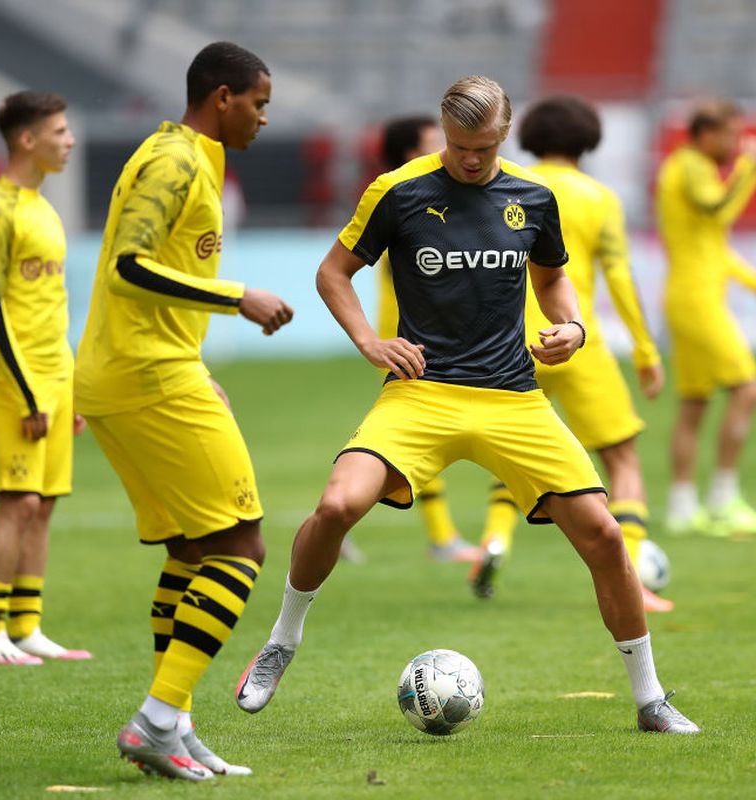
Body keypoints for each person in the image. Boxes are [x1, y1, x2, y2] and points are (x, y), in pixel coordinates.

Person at [236, 76, 699, 735]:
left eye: (483, 148)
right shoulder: (398, 190)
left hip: (513, 397)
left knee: (602, 534)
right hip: (421, 393)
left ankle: (650, 699)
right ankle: (282, 640)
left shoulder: (533, 197)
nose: (471, 160)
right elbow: (332, 272)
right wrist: (370, 341)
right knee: (337, 505)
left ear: (504, 135)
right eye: (458, 147)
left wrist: (572, 327)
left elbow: (553, 277)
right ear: (444, 132)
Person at [74, 42, 294, 781]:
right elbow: (127, 267)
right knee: (241, 545)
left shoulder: (195, 155)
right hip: (145, 377)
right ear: (223, 97)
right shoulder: (173, 161)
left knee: (192, 551)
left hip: (141, 371)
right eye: (259, 103)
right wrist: (238, 297)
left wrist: (195, 362)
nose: (264, 117)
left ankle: (177, 722)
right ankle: (156, 718)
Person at [468, 95, 672, 613]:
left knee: (512, 449)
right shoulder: (599, 197)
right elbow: (619, 275)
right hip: (577, 341)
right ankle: (634, 570)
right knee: (621, 456)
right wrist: (645, 348)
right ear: (588, 140)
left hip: (509, 345)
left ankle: (496, 537)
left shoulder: (508, 185)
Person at [0, 91, 90, 667]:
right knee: (19, 500)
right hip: (12, 379)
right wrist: (26, 389)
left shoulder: (43, 207)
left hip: (55, 375)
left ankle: (26, 626)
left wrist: (70, 388)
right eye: (59, 132)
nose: (69, 140)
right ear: (27, 139)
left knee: (44, 505)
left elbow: (49, 307)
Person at [655, 98, 756, 537]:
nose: (736, 144)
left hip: (690, 296)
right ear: (706, 134)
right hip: (697, 301)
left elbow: (714, 243)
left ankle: (681, 508)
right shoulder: (690, 166)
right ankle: (723, 500)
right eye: (730, 135)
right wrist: (750, 168)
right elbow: (717, 208)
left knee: (694, 404)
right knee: (748, 390)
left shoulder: (691, 168)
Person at [372, 114, 481, 564]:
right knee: (422, 437)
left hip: (427, 333)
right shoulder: (399, 197)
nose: (443, 149)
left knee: (410, 439)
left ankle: (343, 518)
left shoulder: (428, 195)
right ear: (407, 153)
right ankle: (441, 537)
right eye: (432, 141)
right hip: (408, 337)